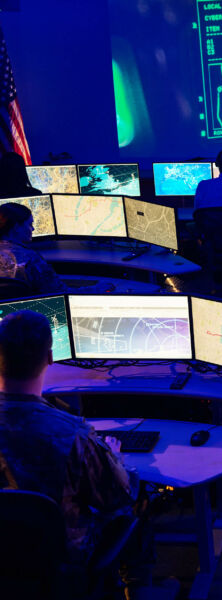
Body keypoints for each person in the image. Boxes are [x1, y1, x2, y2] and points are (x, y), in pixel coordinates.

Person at [0, 311, 139, 564]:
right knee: (136, 506)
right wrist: (115, 459)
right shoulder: (72, 434)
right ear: (50, 357)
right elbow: (116, 496)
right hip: (59, 562)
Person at [0, 202, 66, 294]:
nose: (33, 229)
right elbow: (59, 292)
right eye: (30, 224)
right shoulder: (31, 259)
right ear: (16, 227)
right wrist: (93, 289)